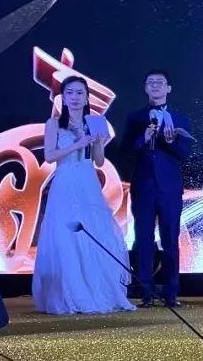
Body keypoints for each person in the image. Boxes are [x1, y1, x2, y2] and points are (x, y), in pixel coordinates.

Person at [33, 75, 135, 314]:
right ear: (63, 97)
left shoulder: (96, 121)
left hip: (88, 181)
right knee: (66, 235)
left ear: (87, 97)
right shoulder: (54, 123)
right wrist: (77, 144)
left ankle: (96, 290)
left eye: (80, 93)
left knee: (93, 232)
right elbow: (49, 156)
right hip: (65, 181)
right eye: (70, 93)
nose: (75, 97)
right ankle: (69, 293)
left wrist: (97, 142)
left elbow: (98, 160)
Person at [121, 69, 192, 308]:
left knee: (170, 239)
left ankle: (171, 293)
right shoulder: (135, 118)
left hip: (170, 188)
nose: (155, 86)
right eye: (150, 82)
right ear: (145, 87)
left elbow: (184, 153)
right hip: (143, 187)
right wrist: (142, 138)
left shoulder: (180, 118)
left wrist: (170, 141)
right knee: (143, 240)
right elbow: (125, 151)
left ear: (168, 88)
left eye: (160, 82)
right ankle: (146, 293)